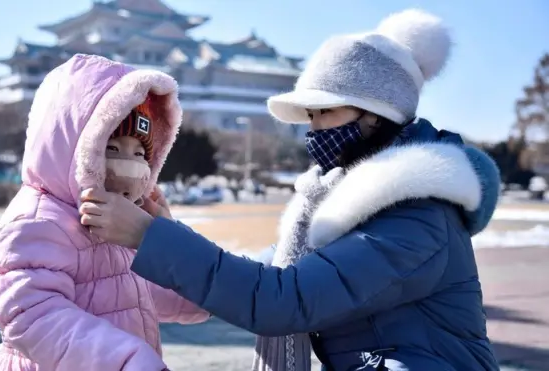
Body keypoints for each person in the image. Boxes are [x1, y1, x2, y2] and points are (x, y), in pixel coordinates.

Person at [80, 9, 501, 371]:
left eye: (326, 112)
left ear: (376, 114)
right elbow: (273, 274)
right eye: (310, 115)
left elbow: (284, 300)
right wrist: (172, 234)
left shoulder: (414, 214)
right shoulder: (342, 199)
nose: (313, 128)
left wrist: (148, 237)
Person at [0, 54, 208, 371]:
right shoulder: (37, 220)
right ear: (76, 149)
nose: (130, 166)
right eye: (112, 149)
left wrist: (206, 280)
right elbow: (32, 315)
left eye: (139, 153)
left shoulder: (117, 217)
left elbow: (148, 289)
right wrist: (127, 361)